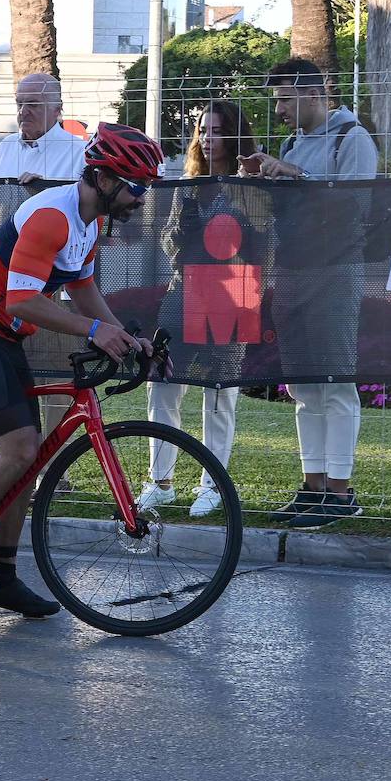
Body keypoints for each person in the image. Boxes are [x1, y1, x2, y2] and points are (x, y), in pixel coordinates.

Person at [0, 123, 163, 618]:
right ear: (103, 177)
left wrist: (124, 335)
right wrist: (94, 331)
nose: (140, 199)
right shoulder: (53, 216)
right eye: (135, 187)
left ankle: (5, 575)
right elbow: (23, 299)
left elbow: (83, 291)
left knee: (28, 460)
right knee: (20, 449)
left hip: (5, 337)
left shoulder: (90, 223)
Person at [246, 58, 377, 528]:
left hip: (337, 273)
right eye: (276, 98)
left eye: (283, 98)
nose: (278, 109)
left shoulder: (351, 137)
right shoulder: (289, 143)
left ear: (313, 93)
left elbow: (360, 204)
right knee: (302, 386)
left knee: (336, 382)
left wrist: (295, 176)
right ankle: (314, 486)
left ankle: (341, 494)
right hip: (293, 273)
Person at [138, 101, 256, 518]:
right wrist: (181, 234)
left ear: (236, 135)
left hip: (234, 294)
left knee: (220, 393)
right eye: (203, 130)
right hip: (183, 292)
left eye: (218, 130)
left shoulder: (248, 184)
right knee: (163, 385)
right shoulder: (188, 185)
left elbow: (265, 241)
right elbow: (169, 244)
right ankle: (160, 481)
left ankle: (212, 484)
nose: (208, 138)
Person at [0, 73, 89, 451]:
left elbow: (79, 210)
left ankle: (52, 459)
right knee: (16, 369)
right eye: (19, 103)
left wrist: (43, 188)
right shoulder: (4, 148)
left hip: (56, 280)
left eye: (32, 104)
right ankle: (18, 452)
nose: (23, 112)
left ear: (57, 109)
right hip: (10, 273)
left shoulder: (77, 151)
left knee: (56, 368)